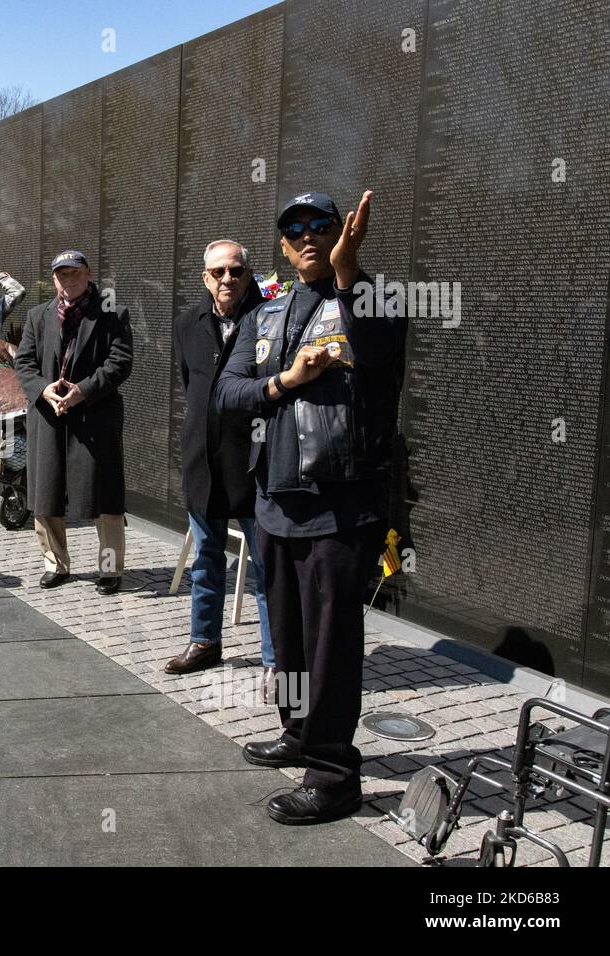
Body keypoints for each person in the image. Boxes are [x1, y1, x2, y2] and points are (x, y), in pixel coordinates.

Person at [215, 190, 406, 826]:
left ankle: (332, 771)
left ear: (340, 232)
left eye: (320, 226)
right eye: (293, 229)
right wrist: (285, 382)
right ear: (281, 243)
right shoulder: (265, 315)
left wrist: (350, 274)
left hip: (341, 509)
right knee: (290, 638)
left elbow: (378, 352)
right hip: (276, 506)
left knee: (330, 645)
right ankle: (297, 731)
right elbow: (228, 392)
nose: (307, 237)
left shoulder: (373, 299)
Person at [164, 240, 276, 699]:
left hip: (256, 461)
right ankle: (205, 641)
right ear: (204, 278)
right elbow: (192, 386)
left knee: (268, 570)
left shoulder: (271, 317)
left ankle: (276, 660)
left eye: (235, 270)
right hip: (203, 460)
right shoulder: (187, 323)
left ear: (248, 274)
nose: (227, 279)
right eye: (217, 272)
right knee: (206, 559)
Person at [14, 250, 133, 595]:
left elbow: (120, 362)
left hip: (95, 415)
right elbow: (23, 363)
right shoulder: (39, 316)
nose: (69, 280)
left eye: (74, 273)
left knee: (105, 498)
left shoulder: (112, 313)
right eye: (61, 275)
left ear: (88, 273)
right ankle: (56, 563)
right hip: (49, 416)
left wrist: (83, 391)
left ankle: (110, 568)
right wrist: (42, 389)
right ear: (54, 279)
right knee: (45, 494)